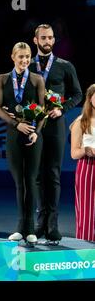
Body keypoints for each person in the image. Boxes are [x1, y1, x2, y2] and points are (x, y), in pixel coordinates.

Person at [30, 24, 82, 242]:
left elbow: (78, 94)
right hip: (34, 126)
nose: (48, 41)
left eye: (51, 37)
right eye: (43, 38)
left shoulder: (64, 66)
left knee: (52, 174)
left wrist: (63, 108)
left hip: (56, 126)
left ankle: (53, 224)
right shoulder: (27, 65)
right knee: (37, 176)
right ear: (36, 40)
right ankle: (40, 222)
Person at [0, 42, 46, 244]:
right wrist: (17, 124)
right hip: (14, 134)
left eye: (27, 57)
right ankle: (19, 227)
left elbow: (42, 111)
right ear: (13, 57)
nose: (24, 60)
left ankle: (30, 228)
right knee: (19, 183)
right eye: (21, 57)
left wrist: (37, 133)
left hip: (32, 135)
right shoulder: (3, 79)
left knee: (31, 181)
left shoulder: (37, 79)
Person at [70, 84, 95, 242]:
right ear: (90, 98)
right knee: (87, 212)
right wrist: (86, 150)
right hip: (88, 168)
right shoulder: (81, 121)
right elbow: (74, 153)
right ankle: (85, 250)